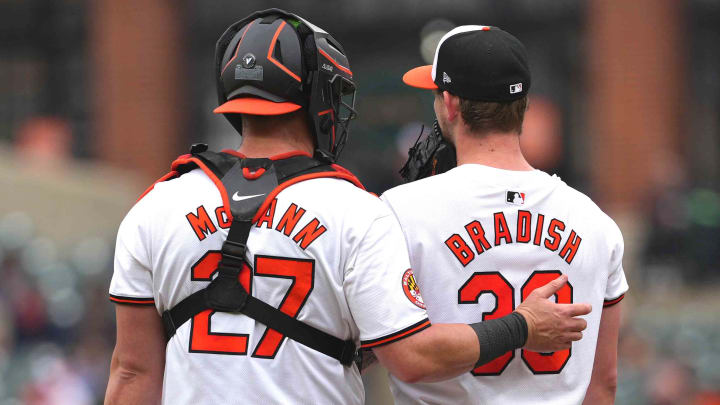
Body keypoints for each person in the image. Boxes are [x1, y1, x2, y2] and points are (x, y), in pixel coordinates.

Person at [104, 12, 591, 405]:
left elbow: (132, 373)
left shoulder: (156, 204)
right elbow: (413, 358)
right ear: (317, 96)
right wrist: (522, 325)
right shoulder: (356, 210)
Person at [383, 25, 628, 405]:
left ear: (449, 104)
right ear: (524, 107)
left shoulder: (398, 211)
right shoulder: (596, 221)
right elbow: (605, 383)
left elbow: (393, 354)